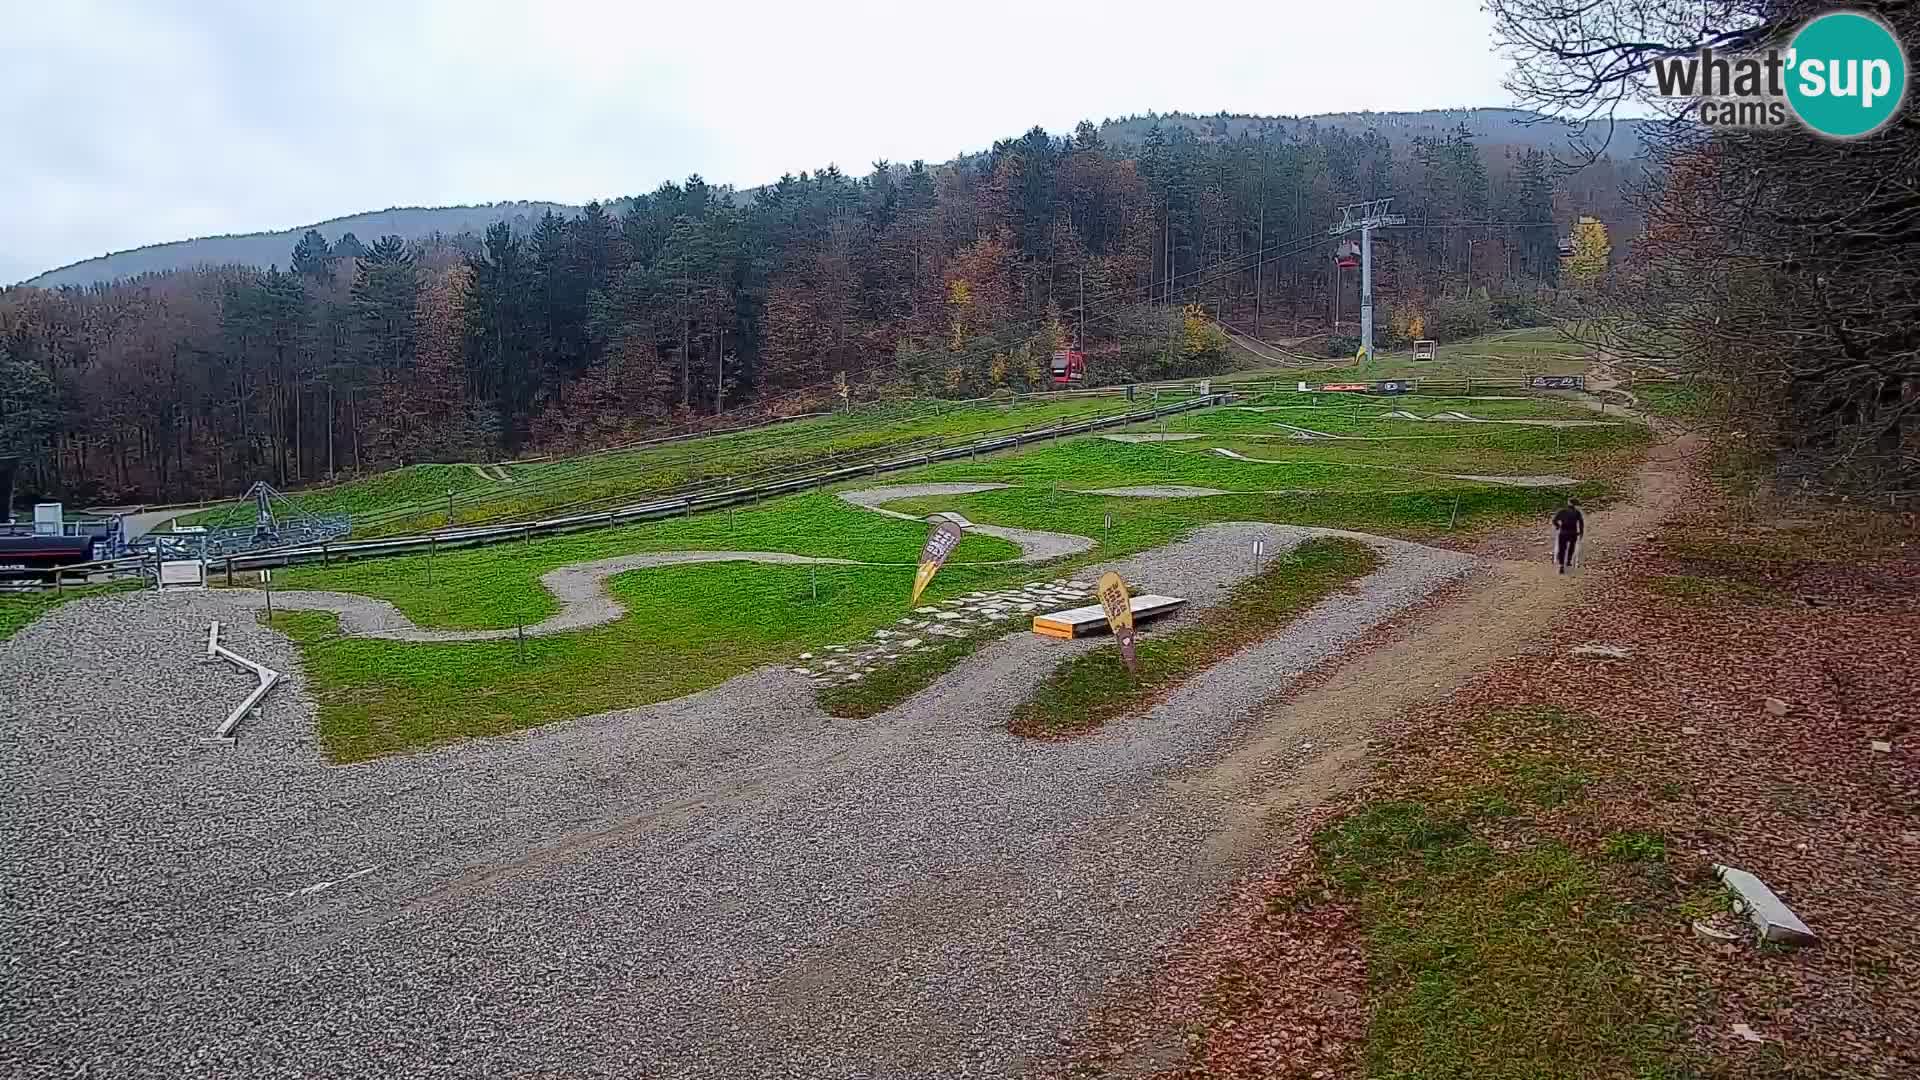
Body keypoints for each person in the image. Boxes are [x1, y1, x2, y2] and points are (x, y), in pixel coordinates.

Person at [1551, 497, 1585, 574]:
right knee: (1571, 548)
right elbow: (1581, 524)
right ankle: (1569, 560)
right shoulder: (1577, 512)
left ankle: (1561, 564)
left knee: (1562, 548)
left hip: (1563, 532)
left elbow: (1554, 520)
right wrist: (1581, 533)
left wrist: (1558, 526)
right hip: (1573, 532)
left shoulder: (1562, 511)